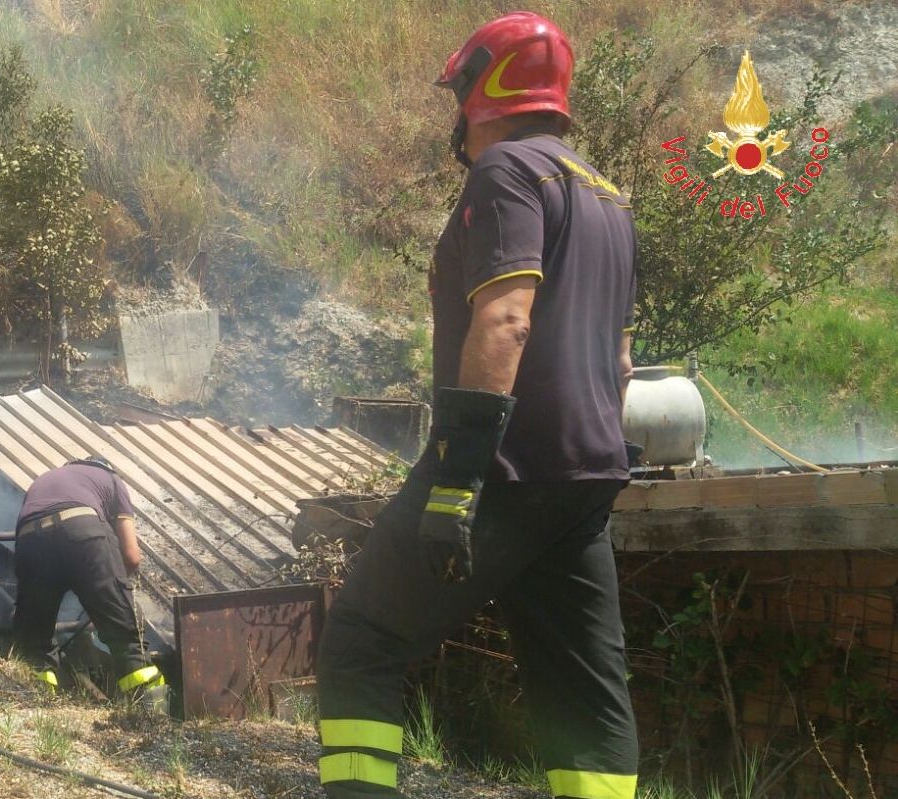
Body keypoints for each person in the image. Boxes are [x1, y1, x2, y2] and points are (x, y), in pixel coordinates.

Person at [315, 12, 639, 799]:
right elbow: (621, 363)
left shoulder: (507, 175)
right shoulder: (607, 198)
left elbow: (504, 318)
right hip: (584, 482)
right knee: (582, 686)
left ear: (480, 91)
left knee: (362, 636)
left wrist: (460, 475)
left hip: (502, 467)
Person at [12, 456, 165, 709]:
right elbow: (131, 557)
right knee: (127, 641)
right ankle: (153, 722)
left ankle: (37, 714)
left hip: (30, 540)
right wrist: (110, 606)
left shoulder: (45, 479)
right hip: (83, 531)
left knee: (35, 644)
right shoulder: (113, 481)